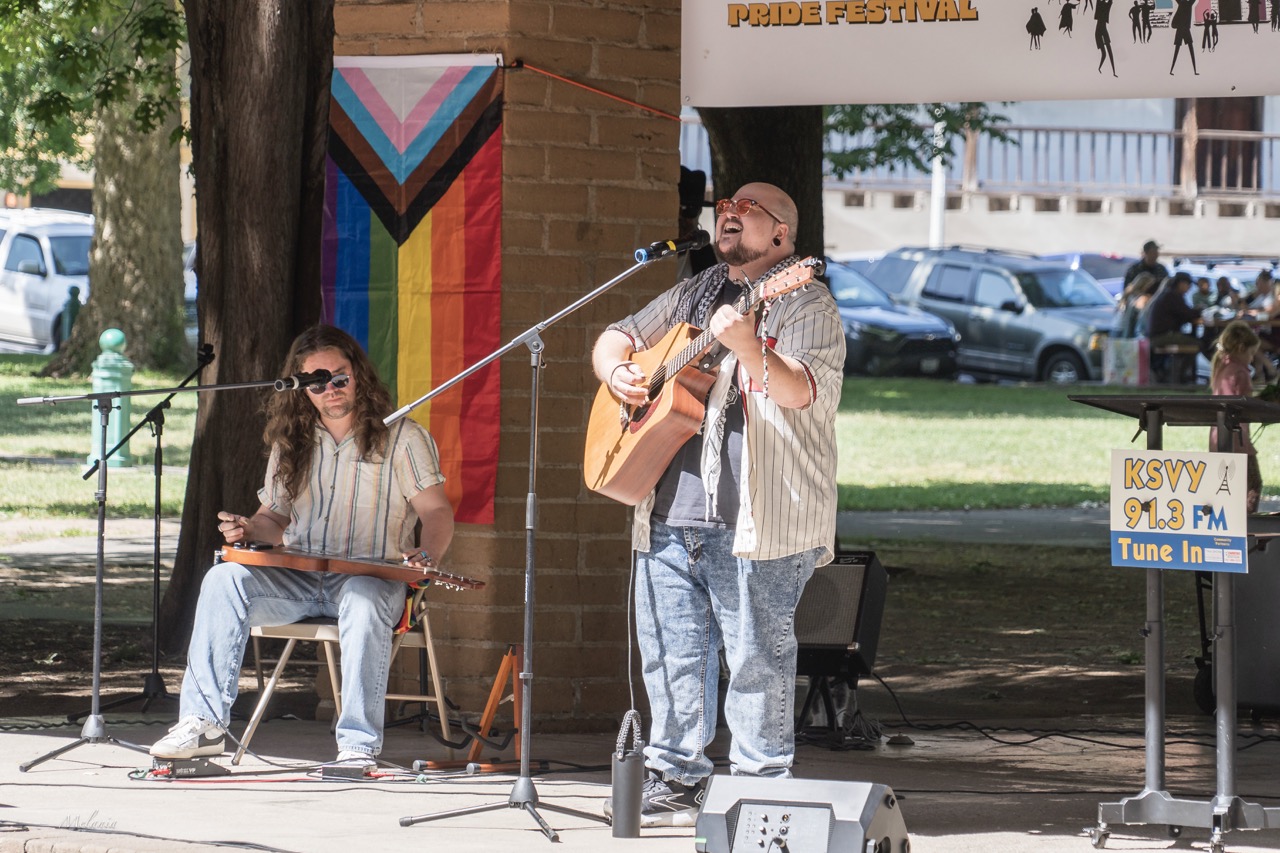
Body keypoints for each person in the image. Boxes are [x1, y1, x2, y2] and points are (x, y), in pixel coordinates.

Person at [591, 182, 844, 827]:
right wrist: (617, 372)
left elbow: (798, 392)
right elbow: (617, 336)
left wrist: (749, 346)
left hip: (761, 520)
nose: (728, 212)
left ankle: (762, 786)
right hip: (670, 509)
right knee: (671, 655)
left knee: (757, 658)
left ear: (782, 235)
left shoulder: (806, 302)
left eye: (746, 208)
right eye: (725, 205)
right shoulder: (698, 289)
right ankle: (677, 777)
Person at [150, 324, 455, 765]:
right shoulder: (291, 441)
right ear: (301, 388)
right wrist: (248, 529)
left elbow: (437, 511)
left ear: (358, 374)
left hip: (370, 579)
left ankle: (357, 748)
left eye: (339, 377)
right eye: (316, 382)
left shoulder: (403, 438)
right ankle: (203, 725)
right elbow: (274, 520)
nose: (330, 389)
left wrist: (429, 554)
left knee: (364, 598)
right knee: (223, 579)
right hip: (299, 580)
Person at [1209, 321, 1264, 513]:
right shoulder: (1240, 372)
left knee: (1226, 485)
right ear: (1241, 349)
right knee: (1253, 484)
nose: (1251, 358)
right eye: (1250, 353)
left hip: (1218, 435)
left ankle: (1227, 518)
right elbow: (1245, 404)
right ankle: (1247, 521)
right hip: (1237, 438)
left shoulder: (1222, 367)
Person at [1145, 271, 1203, 383]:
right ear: (1181, 284)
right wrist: (1199, 310)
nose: (1189, 288)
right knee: (1197, 343)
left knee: (1190, 340)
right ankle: (1180, 376)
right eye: (1188, 285)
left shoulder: (1167, 294)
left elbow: (1184, 314)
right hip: (1162, 336)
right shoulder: (1173, 296)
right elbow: (1188, 314)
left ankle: (1176, 375)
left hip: (1156, 335)